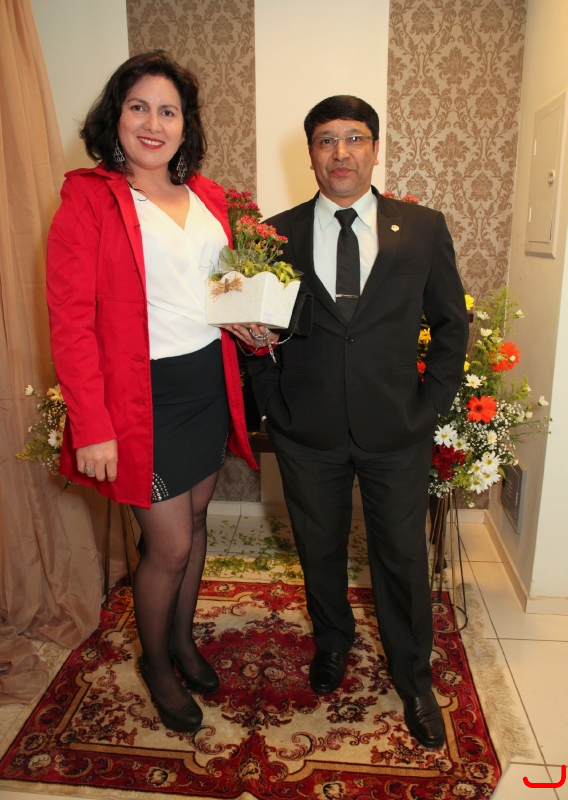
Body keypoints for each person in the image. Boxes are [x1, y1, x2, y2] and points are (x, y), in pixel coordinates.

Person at [231, 95, 469, 749]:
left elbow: (452, 325)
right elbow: (254, 331)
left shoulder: (421, 228)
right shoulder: (272, 236)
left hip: (397, 429)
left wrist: (430, 406)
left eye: (355, 138)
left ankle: (413, 678)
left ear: (375, 148)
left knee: (402, 558)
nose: (341, 152)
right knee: (319, 549)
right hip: (306, 431)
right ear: (310, 153)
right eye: (327, 140)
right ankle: (332, 642)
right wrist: (273, 406)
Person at [46, 51, 257, 734]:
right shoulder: (89, 198)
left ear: (185, 125)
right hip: (142, 398)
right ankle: (156, 663)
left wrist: (249, 319)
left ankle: (183, 642)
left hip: (206, 383)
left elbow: (220, 290)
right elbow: (70, 321)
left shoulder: (209, 196)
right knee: (166, 545)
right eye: (138, 106)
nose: (153, 123)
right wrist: (92, 425)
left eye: (168, 111)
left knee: (195, 523)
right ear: (116, 116)